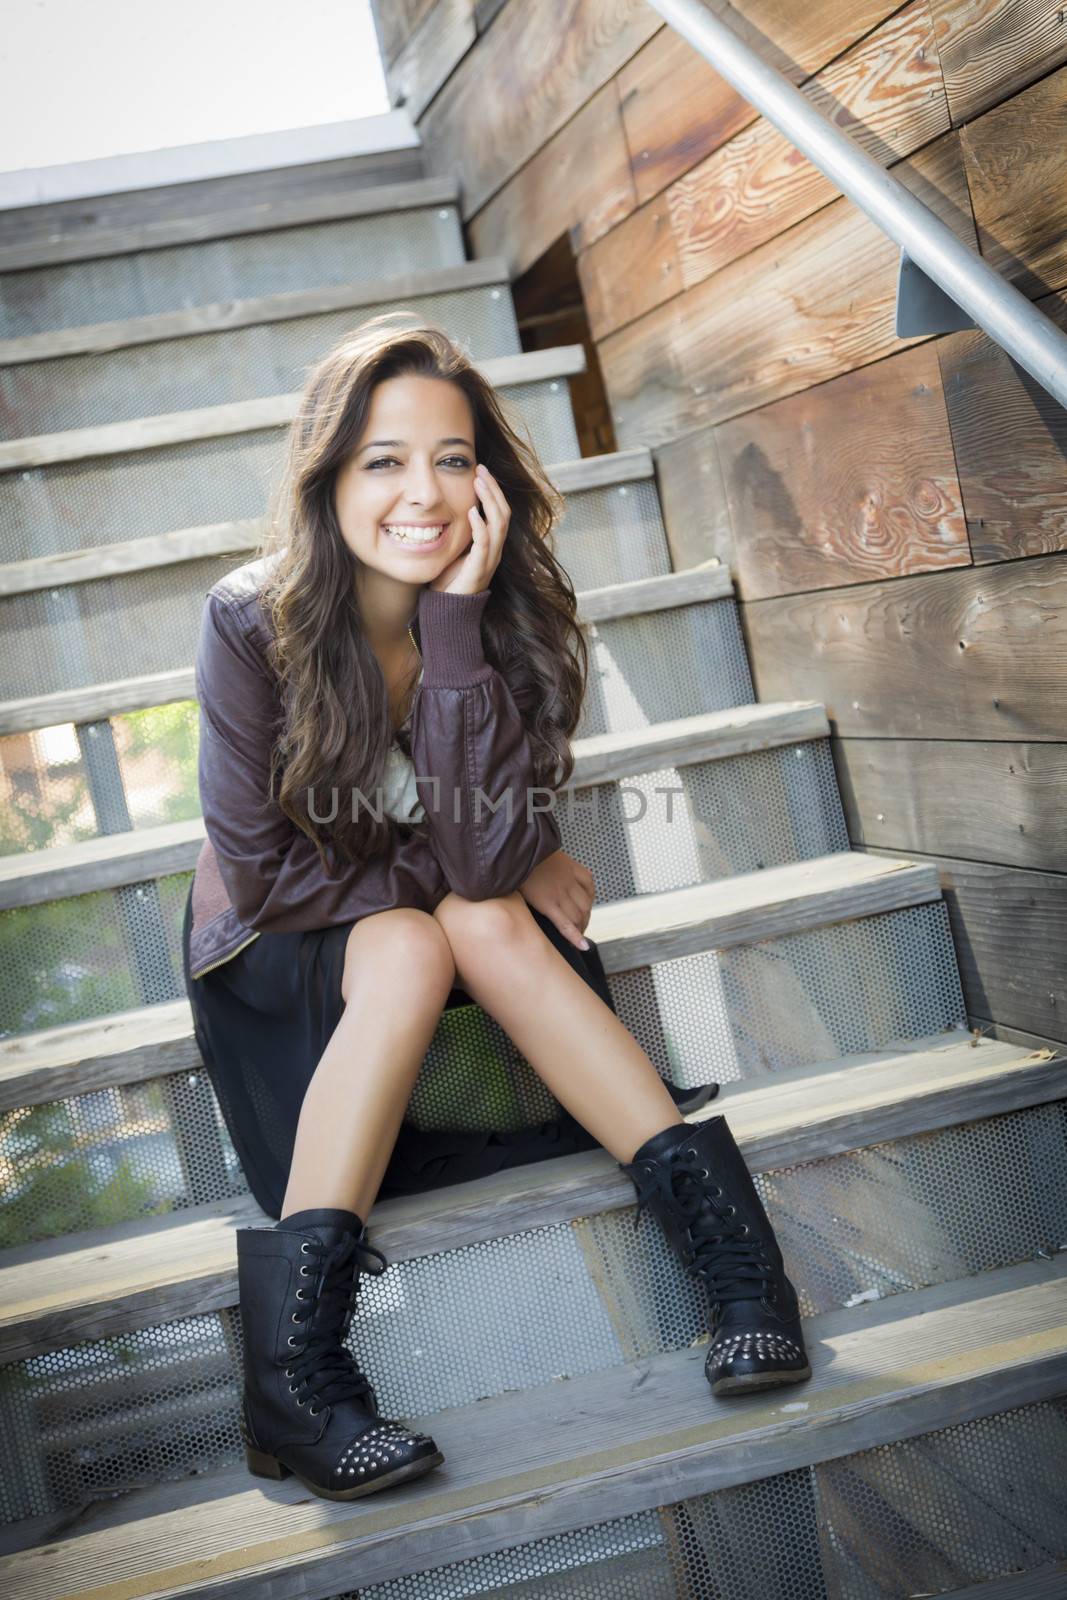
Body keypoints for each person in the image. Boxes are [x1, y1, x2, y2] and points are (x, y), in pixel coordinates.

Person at [180, 313, 810, 1505]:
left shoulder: (501, 613)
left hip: (444, 926)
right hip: (282, 953)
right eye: (384, 460)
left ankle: (739, 1271)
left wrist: (456, 630)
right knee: (430, 934)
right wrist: (500, 863)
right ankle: (298, 1375)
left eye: (454, 458)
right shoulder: (247, 622)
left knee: (464, 922)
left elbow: (480, 862)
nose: (424, 492)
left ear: (489, 478)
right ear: (328, 479)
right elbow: (269, 875)